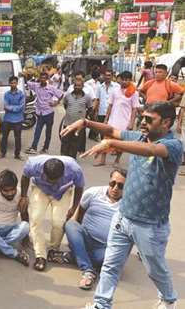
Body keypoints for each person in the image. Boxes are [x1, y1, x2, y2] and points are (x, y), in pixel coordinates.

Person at [62, 102, 181, 309]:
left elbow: (152, 150)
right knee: (110, 265)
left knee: (155, 269)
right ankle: (101, 304)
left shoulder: (173, 145)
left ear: (167, 122)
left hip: (150, 225)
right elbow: (111, 130)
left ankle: (169, 299)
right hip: (123, 217)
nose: (142, 122)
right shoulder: (139, 137)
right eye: (142, 117)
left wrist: (112, 144)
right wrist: (86, 122)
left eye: (149, 119)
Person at [48, 169, 127, 291]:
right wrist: (75, 241)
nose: (115, 188)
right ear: (109, 181)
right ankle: (88, 270)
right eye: (113, 183)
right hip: (86, 238)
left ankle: (75, 256)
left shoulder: (129, 205)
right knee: (70, 225)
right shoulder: (93, 193)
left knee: (115, 257)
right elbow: (78, 217)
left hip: (105, 247)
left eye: (120, 186)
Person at [19, 155, 84, 272]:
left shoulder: (75, 169)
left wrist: (74, 207)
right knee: (36, 218)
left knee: (59, 222)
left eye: (54, 181)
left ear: (62, 174)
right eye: (48, 179)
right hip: (40, 189)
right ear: (43, 171)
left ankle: (53, 249)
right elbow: (25, 177)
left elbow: (79, 188)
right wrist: (24, 196)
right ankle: (40, 255)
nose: (51, 183)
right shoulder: (33, 164)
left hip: (62, 191)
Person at [102, 71, 139, 166]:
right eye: (123, 79)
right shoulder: (115, 90)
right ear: (119, 79)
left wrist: (131, 123)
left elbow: (134, 109)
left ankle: (117, 160)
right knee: (105, 141)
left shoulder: (134, 93)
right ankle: (102, 160)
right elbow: (110, 105)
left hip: (124, 122)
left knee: (121, 144)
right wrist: (106, 119)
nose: (124, 81)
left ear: (130, 80)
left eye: (127, 80)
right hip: (112, 120)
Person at [25, 71, 63, 154]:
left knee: (48, 132)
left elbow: (61, 95)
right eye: (41, 78)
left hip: (49, 113)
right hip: (40, 113)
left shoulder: (51, 88)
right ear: (39, 78)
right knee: (37, 131)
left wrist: (56, 103)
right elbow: (28, 83)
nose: (42, 79)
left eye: (44, 78)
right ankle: (34, 147)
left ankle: (45, 148)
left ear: (47, 79)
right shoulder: (36, 86)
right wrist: (25, 74)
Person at [61, 73, 93, 159]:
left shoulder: (87, 97)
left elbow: (90, 108)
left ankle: (72, 159)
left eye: (79, 86)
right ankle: (63, 158)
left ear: (82, 87)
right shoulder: (68, 96)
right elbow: (65, 105)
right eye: (75, 86)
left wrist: (84, 117)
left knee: (75, 143)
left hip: (79, 126)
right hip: (67, 123)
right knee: (65, 141)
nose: (77, 87)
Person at [0, 76, 25, 160]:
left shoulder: (21, 94)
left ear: (17, 83)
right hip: (7, 119)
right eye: (12, 83)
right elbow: (5, 105)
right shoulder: (6, 94)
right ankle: (3, 153)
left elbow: (21, 106)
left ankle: (17, 154)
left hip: (18, 119)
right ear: (9, 83)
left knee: (18, 138)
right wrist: (15, 108)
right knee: (4, 137)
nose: (13, 84)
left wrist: (11, 108)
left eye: (15, 83)